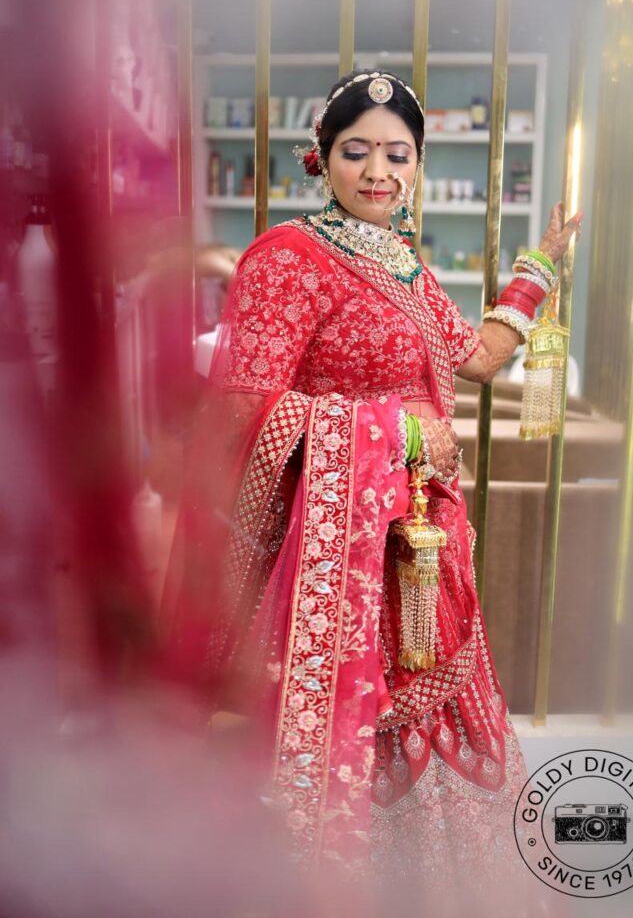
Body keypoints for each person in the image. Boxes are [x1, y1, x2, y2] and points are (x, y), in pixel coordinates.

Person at [162, 69, 582, 911]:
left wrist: (537, 270)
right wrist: (399, 436)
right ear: (321, 158)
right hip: (332, 563)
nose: (379, 171)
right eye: (358, 152)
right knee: (346, 733)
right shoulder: (288, 258)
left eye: (398, 154)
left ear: (419, 165)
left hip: (421, 548)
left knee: (432, 716)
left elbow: (477, 359)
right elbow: (245, 407)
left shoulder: (406, 265)